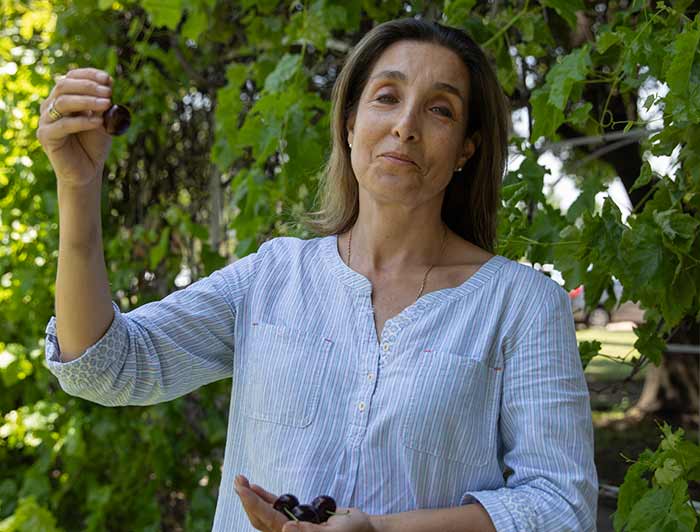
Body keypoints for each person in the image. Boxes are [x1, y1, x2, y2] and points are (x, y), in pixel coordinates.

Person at [37, 17, 598, 532]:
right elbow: (106, 366)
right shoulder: (271, 277)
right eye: (387, 97)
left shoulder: (523, 305)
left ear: (466, 150)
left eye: (441, 110)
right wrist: (78, 187)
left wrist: (382, 531)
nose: (405, 126)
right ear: (350, 124)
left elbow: (560, 506)